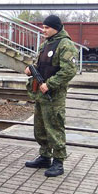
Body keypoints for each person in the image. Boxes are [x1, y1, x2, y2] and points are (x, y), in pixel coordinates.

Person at [24, 15, 78, 177]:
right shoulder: (46, 44)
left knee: (55, 127)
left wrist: (50, 84)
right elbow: (40, 64)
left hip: (54, 96)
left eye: (47, 27)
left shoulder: (66, 45)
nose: (43, 30)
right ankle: (45, 156)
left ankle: (58, 161)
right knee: (40, 128)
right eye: (43, 27)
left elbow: (69, 70)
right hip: (41, 94)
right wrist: (31, 69)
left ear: (56, 27)